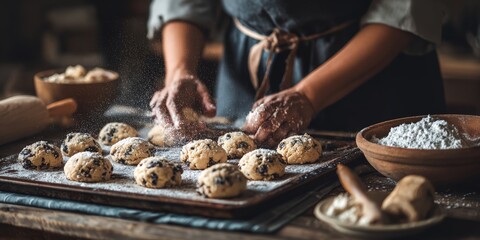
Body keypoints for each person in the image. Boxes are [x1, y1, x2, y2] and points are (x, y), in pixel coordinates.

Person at [148, 0, 447, 147]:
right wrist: (179, 71)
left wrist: (308, 94)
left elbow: (406, 7)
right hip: (246, 66)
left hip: (372, 73)